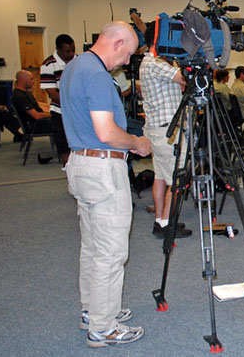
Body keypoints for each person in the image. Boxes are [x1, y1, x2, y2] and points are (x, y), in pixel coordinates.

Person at [60, 21, 151, 348]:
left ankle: (93, 310)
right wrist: (137, 143)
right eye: (127, 54)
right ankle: (103, 327)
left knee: (93, 246)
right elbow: (107, 132)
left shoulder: (75, 66)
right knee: (111, 252)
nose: (127, 62)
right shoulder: (98, 75)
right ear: (116, 43)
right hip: (101, 168)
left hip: (80, 164)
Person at [139, 21, 192, 239]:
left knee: (161, 177)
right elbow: (186, 80)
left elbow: (180, 84)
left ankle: (161, 220)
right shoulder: (155, 63)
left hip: (157, 130)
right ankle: (167, 224)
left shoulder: (151, 63)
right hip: (168, 133)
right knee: (177, 179)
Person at [40, 34, 75, 165]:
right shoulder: (48, 65)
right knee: (64, 145)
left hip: (78, 111)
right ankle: (68, 169)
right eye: (67, 51)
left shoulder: (77, 60)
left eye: (73, 50)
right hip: (60, 112)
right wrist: (72, 105)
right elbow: (52, 93)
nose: (71, 54)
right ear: (58, 49)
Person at [11, 70, 53, 136]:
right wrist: (53, 114)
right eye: (31, 79)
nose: (33, 82)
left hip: (39, 122)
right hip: (34, 126)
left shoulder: (26, 93)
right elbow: (36, 116)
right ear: (23, 80)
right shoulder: (19, 96)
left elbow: (38, 106)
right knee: (62, 121)